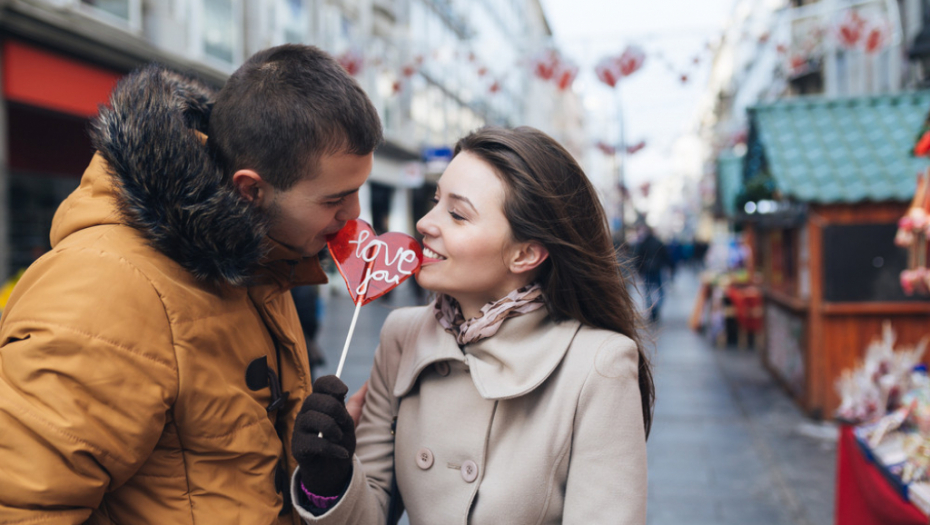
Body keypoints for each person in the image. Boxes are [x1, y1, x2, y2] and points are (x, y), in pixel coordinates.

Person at [0, 44, 380, 524]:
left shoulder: (262, 263)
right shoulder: (106, 290)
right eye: (336, 199)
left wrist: (320, 484)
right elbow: (21, 505)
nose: (355, 215)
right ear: (251, 190)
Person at [291, 126, 654, 524]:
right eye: (435, 201)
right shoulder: (403, 335)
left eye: (457, 213)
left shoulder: (598, 364)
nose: (426, 223)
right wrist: (330, 482)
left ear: (525, 253)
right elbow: (372, 513)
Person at [634, 225, 670, 323]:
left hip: (647, 271)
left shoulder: (643, 243)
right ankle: (656, 309)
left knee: (648, 292)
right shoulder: (658, 242)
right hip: (657, 270)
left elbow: (638, 258)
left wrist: (639, 270)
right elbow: (665, 256)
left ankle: (651, 311)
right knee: (660, 292)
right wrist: (668, 267)